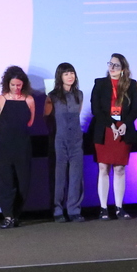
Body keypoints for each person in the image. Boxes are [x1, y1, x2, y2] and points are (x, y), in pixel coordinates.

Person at [91, 54, 137, 219]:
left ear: (123, 69)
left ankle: (119, 207)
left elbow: (135, 109)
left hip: (123, 129)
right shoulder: (99, 83)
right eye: (110, 64)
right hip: (105, 129)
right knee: (103, 168)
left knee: (119, 169)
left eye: (116, 65)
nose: (112, 68)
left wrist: (125, 123)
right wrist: (111, 124)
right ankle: (103, 208)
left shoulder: (131, 85)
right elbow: (96, 109)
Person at [0, 66, 36, 229]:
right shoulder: (0, 100)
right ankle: (8, 216)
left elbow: (30, 122)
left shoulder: (29, 100)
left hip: (22, 146)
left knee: (23, 182)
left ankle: (16, 214)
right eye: (13, 85)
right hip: (4, 146)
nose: (16, 88)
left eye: (19, 85)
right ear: (7, 84)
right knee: (6, 182)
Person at [48, 63, 87, 223]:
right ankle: (57, 210)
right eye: (66, 74)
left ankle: (74, 210)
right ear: (60, 77)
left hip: (76, 139)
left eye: (72, 73)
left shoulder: (79, 94)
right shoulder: (52, 96)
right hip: (59, 138)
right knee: (59, 176)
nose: (70, 76)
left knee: (76, 175)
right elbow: (47, 118)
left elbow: (77, 114)